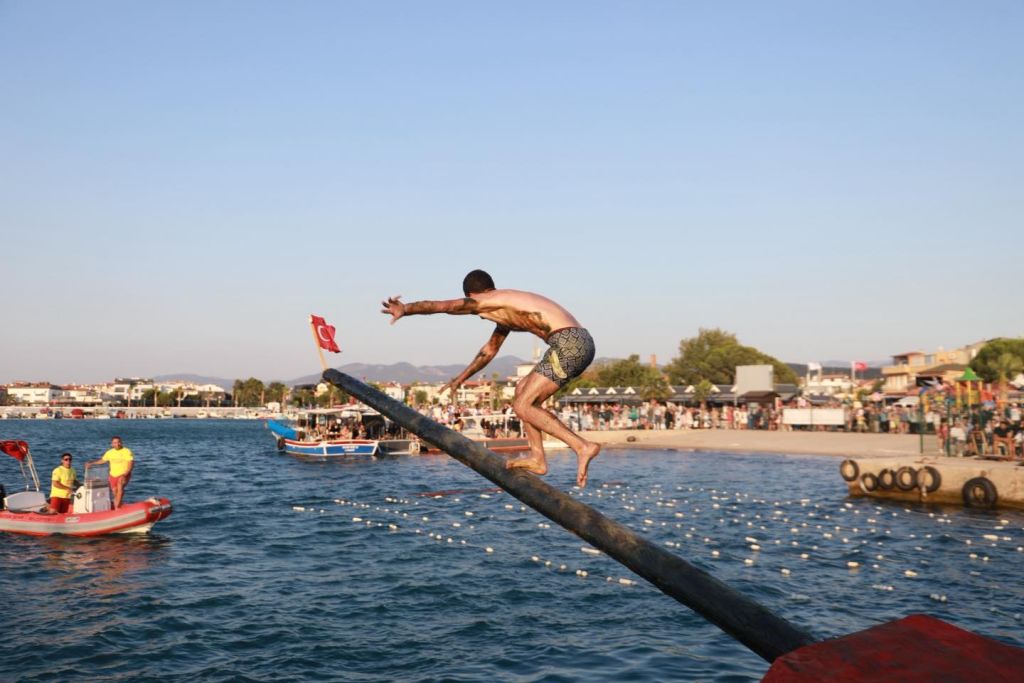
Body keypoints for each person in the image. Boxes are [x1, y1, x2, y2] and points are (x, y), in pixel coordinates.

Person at [381, 269, 601, 487]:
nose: (480, 315)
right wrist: (461, 378)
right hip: (576, 341)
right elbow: (489, 351)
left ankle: (582, 446)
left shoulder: (485, 300)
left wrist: (406, 309)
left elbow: (444, 306)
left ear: (473, 295)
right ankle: (537, 459)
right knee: (521, 392)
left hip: (569, 344)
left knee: (523, 406)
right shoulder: (505, 307)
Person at [88, 436, 134, 509]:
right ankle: (120, 506)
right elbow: (103, 460)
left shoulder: (127, 451)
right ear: (112, 444)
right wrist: (92, 463)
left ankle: (117, 508)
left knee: (120, 486)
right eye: (115, 443)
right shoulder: (109, 452)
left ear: (121, 443)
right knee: (115, 492)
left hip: (123, 474)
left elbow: (131, 463)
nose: (117, 444)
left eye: (119, 442)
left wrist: (126, 473)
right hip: (113, 475)